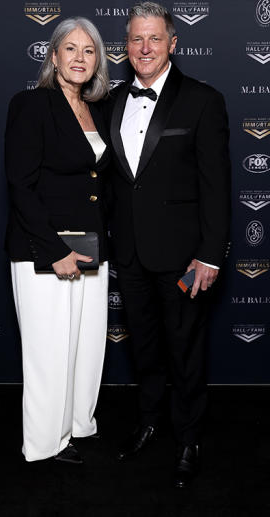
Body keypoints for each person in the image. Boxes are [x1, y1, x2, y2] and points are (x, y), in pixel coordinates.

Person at [107, 2, 230, 488]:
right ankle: (149, 420)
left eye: (154, 38)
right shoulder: (113, 99)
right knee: (145, 348)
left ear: (173, 43)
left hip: (184, 255)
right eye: (136, 39)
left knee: (186, 349)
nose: (145, 48)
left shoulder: (203, 100)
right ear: (127, 45)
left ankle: (188, 438)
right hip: (130, 253)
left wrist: (209, 252)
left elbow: (217, 186)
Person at [3, 17, 112, 464]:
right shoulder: (31, 104)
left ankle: (78, 427)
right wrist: (54, 251)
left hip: (92, 246)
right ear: (53, 56)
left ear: (98, 61)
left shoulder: (100, 110)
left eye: (89, 51)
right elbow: (20, 185)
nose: (80, 58)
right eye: (71, 49)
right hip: (44, 250)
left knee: (87, 345)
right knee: (49, 349)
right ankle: (45, 444)